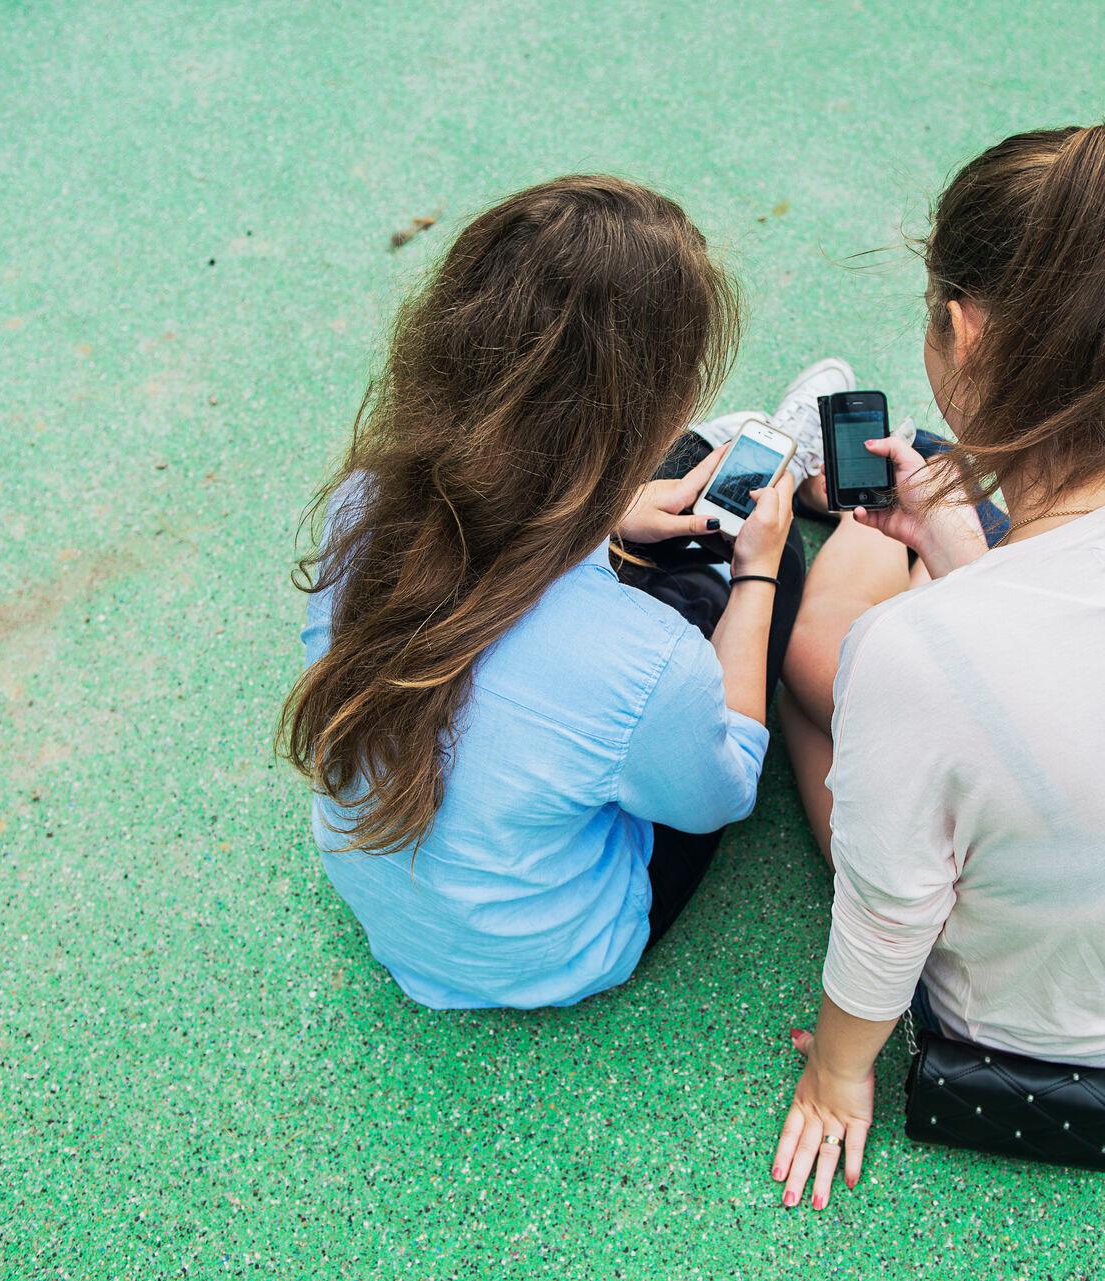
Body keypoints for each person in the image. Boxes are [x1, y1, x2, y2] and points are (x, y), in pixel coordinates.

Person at [769, 112, 1105, 1208]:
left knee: (820, 677)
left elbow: (887, 912)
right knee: (927, 636)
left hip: (1004, 1025)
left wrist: (837, 1074)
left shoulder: (916, 657)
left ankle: (823, 517)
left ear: (965, 335)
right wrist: (961, 558)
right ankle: (912, 543)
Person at [280, 175, 811, 1010]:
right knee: (751, 580)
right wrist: (758, 571)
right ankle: (764, 511)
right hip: (552, 953)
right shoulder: (647, 661)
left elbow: (491, 611)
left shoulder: (358, 505)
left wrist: (607, 529)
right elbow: (721, 794)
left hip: (379, 890)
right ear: (646, 415)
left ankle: (674, 494)